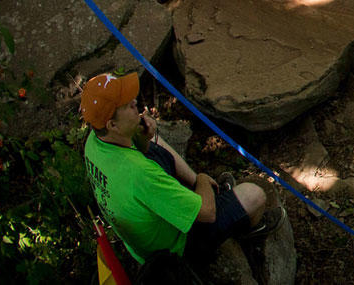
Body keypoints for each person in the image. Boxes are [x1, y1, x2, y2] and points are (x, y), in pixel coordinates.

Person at [80, 72, 286, 273]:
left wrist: (143, 138)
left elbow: (139, 162)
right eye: (127, 105)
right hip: (176, 250)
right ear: (112, 124)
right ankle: (249, 231)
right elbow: (207, 214)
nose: (135, 102)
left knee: (152, 138)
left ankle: (202, 190)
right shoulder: (141, 174)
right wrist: (203, 180)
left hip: (144, 238)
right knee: (255, 195)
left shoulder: (94, 142)